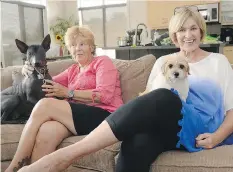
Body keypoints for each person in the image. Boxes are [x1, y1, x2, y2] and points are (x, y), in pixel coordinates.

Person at [17, 6, 233, 172]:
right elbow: (148, 103)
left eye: (193, 28)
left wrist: (217, 136)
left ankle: (66, 156)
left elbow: (231, 110)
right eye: (182, 30)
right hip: (169, 129)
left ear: (201, 31)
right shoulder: (163, 61)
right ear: (174, 35)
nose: (188, 35)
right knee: (135, 144)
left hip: (199, 129)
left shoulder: (218, 61)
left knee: (166, 96)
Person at [5, 26, 124, 172]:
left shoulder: (102, 62)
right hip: (77, 119)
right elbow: (44, 84)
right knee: (46, 132)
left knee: (44, 105)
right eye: (73, 45)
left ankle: (12, 168)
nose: (77, 49)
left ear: (91, 47)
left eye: (82, 44)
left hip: (105, 116)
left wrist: (69, 93)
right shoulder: (73, 70)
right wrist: (28, 70)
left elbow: (105, 95)